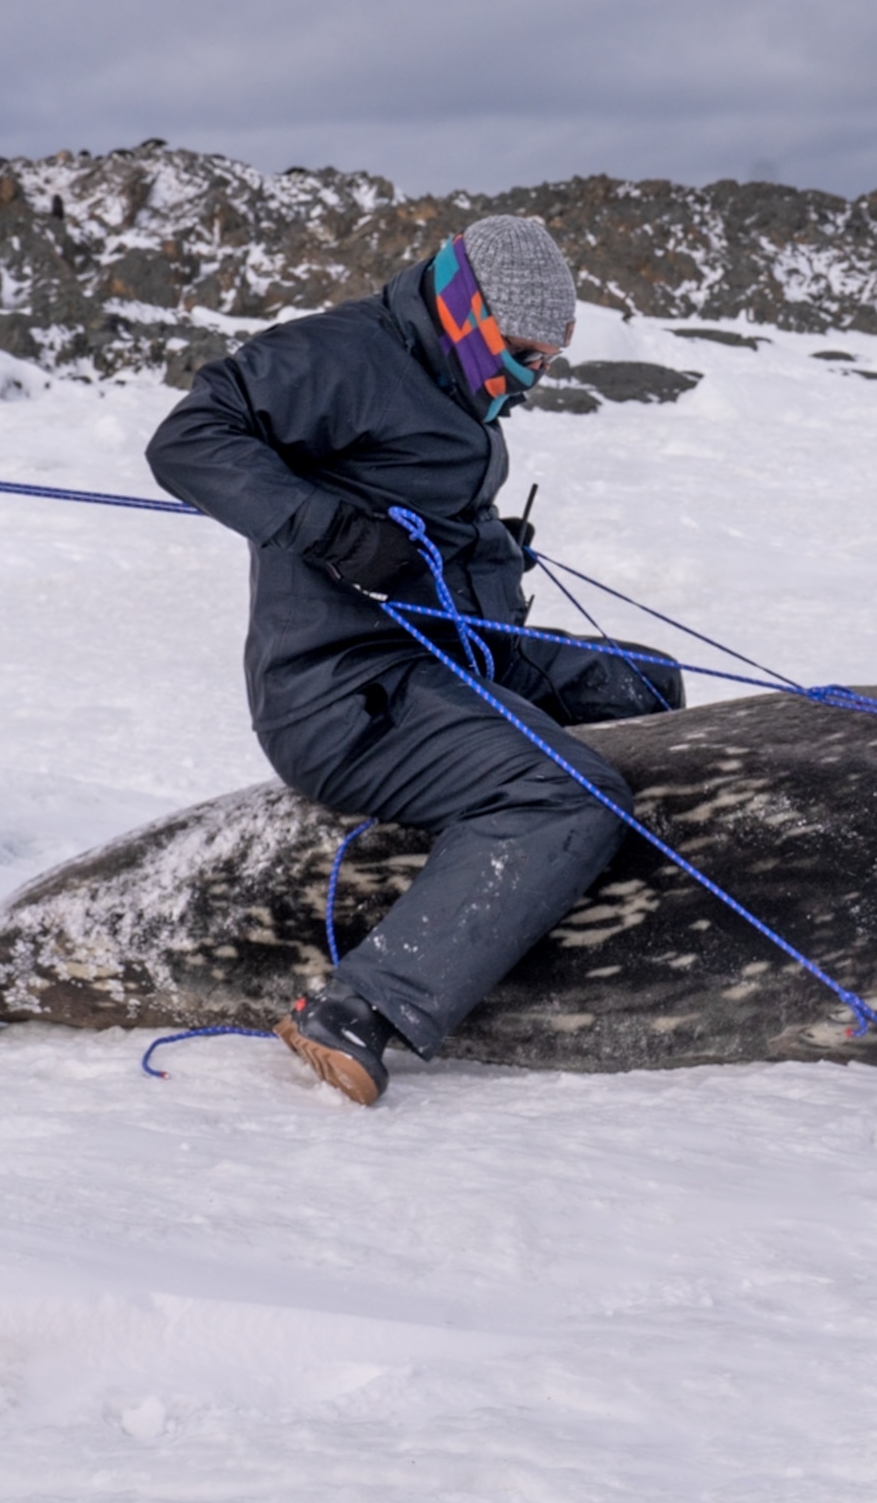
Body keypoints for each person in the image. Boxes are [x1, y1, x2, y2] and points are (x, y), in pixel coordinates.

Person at [145, 213, 671, 1105]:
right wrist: (332, 531)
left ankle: (579, 899)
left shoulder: (456, 378)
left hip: (462, 653)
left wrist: (490, 552)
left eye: (548, 359)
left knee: (646, 685)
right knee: (566, 795)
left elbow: (414, 491)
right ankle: (359, 1008)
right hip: (347, 691)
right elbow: (189, 438)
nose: (534, 379)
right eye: (527, 356)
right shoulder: (343, 356)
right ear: (469, 315)